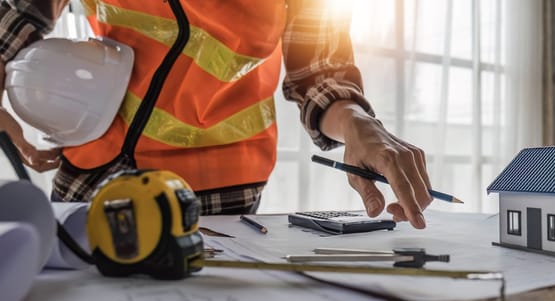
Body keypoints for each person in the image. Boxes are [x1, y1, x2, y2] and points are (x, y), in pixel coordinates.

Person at [0, 0, 432, 228]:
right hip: (92, 171)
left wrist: (360, 124)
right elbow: (15, 16)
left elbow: (319, 74)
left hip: (218, 192)